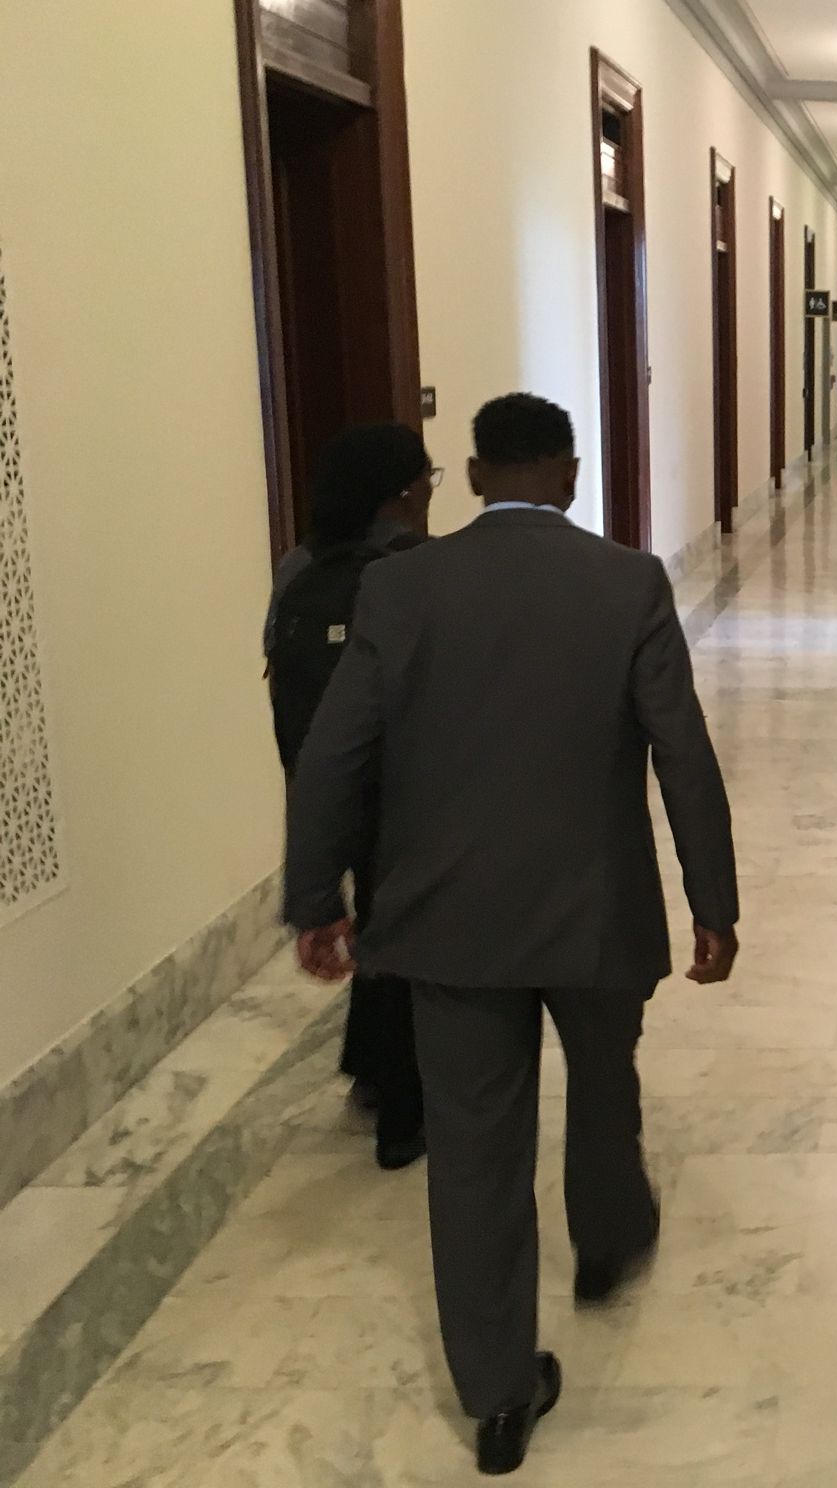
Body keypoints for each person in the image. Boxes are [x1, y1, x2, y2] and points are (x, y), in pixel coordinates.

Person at [285, 393, 741, 1476]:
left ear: (478, 477)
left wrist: (317, 899)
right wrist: (712, 902)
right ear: (571, 475)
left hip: (447, 926)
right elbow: (681, 750)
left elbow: (332, 754)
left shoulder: (399, 587)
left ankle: (496, 1395)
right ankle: (608, 1238)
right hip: (595, 913)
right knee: (603, 1080)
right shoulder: (626, 580)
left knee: (475, 1153)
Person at [264, 423, 436, 1172]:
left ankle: (370, 1071)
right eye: (426, 477)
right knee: (413, 937)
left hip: (326, 780)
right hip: (411, 785)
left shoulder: (298, 565)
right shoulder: (419, 569)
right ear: (403, 491)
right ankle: (405, 1115)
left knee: (377, 911)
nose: (432, 489)